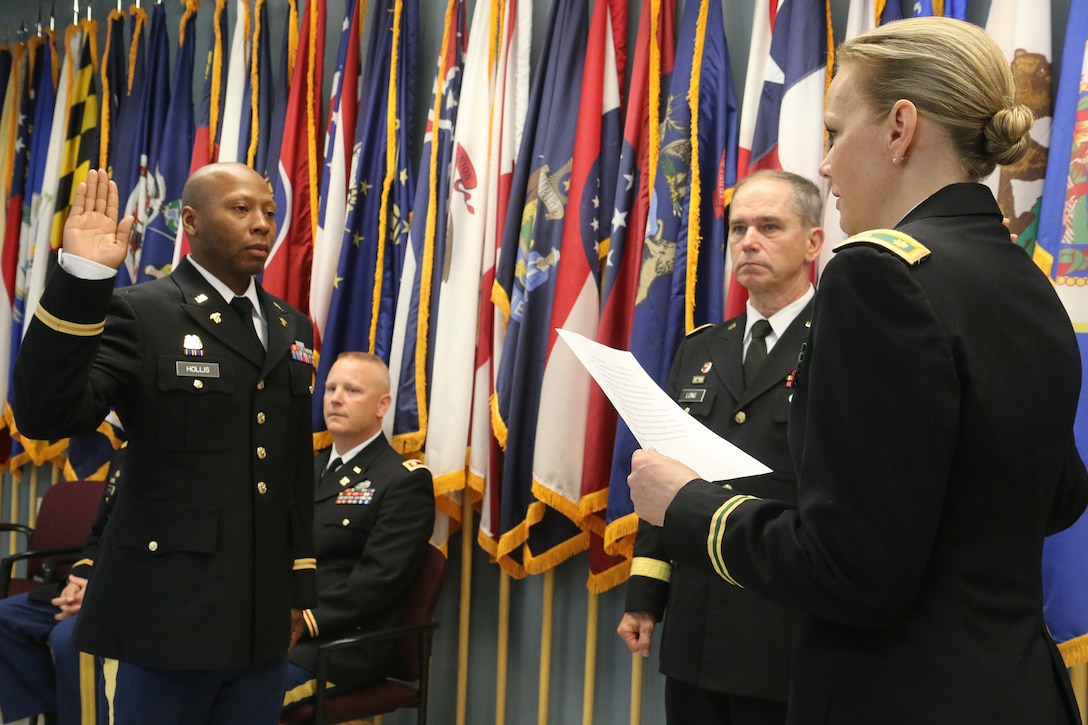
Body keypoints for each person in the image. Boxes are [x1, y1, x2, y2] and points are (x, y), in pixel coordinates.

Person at [628, 17, 1088, 725]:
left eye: (837, 133)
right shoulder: (1027, 282)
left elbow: (848, 571)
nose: (825, 164)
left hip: (901, 693)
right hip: (1017, 688)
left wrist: (688, 505)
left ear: (901, 128)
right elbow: (1058, 495)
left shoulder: (880, 279)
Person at [12, 163, 317, 725]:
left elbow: (294, 466)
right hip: (169, 610)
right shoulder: (141, 310)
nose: (261, 225)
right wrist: (81, 279)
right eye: (241, 209)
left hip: (261, 613)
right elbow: (44, 415)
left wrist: (299, 584)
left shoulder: (291, 325)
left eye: (269, 212)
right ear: (193, 221)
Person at [618, 170, 823, 725]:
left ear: (813, 242)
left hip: (783, 626)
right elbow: (667, 475)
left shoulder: (838, 342)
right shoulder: (702, 348)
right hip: (698, 626)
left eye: (769, 226)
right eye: (738, 229)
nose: (749, 241)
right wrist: (645, 593)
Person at [282, 352, 435, 709]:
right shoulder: (304, 469)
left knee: (240, 700)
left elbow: (379, 579)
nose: (335, 398)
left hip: (341, 646)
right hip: (280, 632)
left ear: (383, 405)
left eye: (352, 390)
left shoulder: (402, 480)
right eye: (331, 388)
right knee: (196, 679)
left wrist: (304, 620)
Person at [0, 447, 124, 725]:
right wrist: (78, 582)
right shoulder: (126, 454)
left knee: (68, 638)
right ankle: (51, 711)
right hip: (94, 582)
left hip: (124, 592)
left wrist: (94, 594)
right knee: (5, 617)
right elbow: (97, 537)